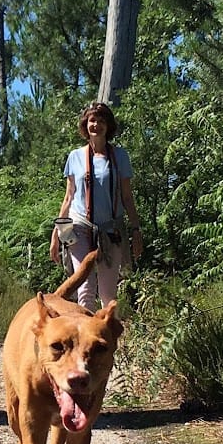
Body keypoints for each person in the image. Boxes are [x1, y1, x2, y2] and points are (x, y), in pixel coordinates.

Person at [50, 101, 143, 310]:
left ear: (108, 126)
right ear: (86, 125)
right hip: (79, 227)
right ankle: (86, 339)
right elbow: (68, 197)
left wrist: (136, 229)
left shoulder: (120, 156)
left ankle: (108, 339)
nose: (96, 125)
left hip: (111, 229)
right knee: (84, 288)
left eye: (101, 121)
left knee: (109, 293)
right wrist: (56, 233)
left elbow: (127, 197)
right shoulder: (75, 157)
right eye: (92, 120)